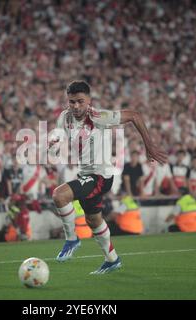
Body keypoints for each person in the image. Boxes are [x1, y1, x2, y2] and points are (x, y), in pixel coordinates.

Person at [50, 80, 167, 274]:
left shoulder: (98, 116)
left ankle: (71, 239)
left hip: (102, 176)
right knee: (93, 220)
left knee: (59, 195)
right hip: (86, 175)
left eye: (80, 101)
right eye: (72, 102)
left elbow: (134, 116)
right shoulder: (64, 117)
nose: (76, 106)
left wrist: (149, 145)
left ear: (89, 100)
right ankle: (112, 259)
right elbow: (58, 136)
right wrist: (53, 143)